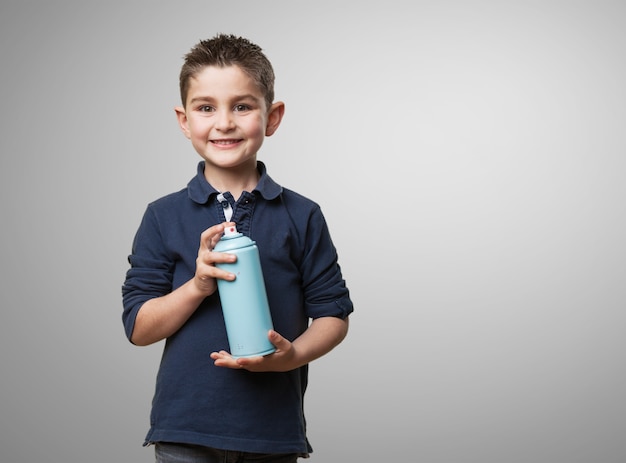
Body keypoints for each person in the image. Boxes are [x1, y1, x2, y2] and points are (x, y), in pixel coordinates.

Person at [122, 33, 353, 463]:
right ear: (184, 120)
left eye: (242, 106)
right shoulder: (162, 215)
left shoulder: (302, 215)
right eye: (206, 107)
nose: (224, 122)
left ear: (272, 116)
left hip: (271, 434)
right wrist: (197, 285)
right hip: (185, 431)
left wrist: (291, 358)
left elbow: (333, 315)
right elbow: (139, 328)